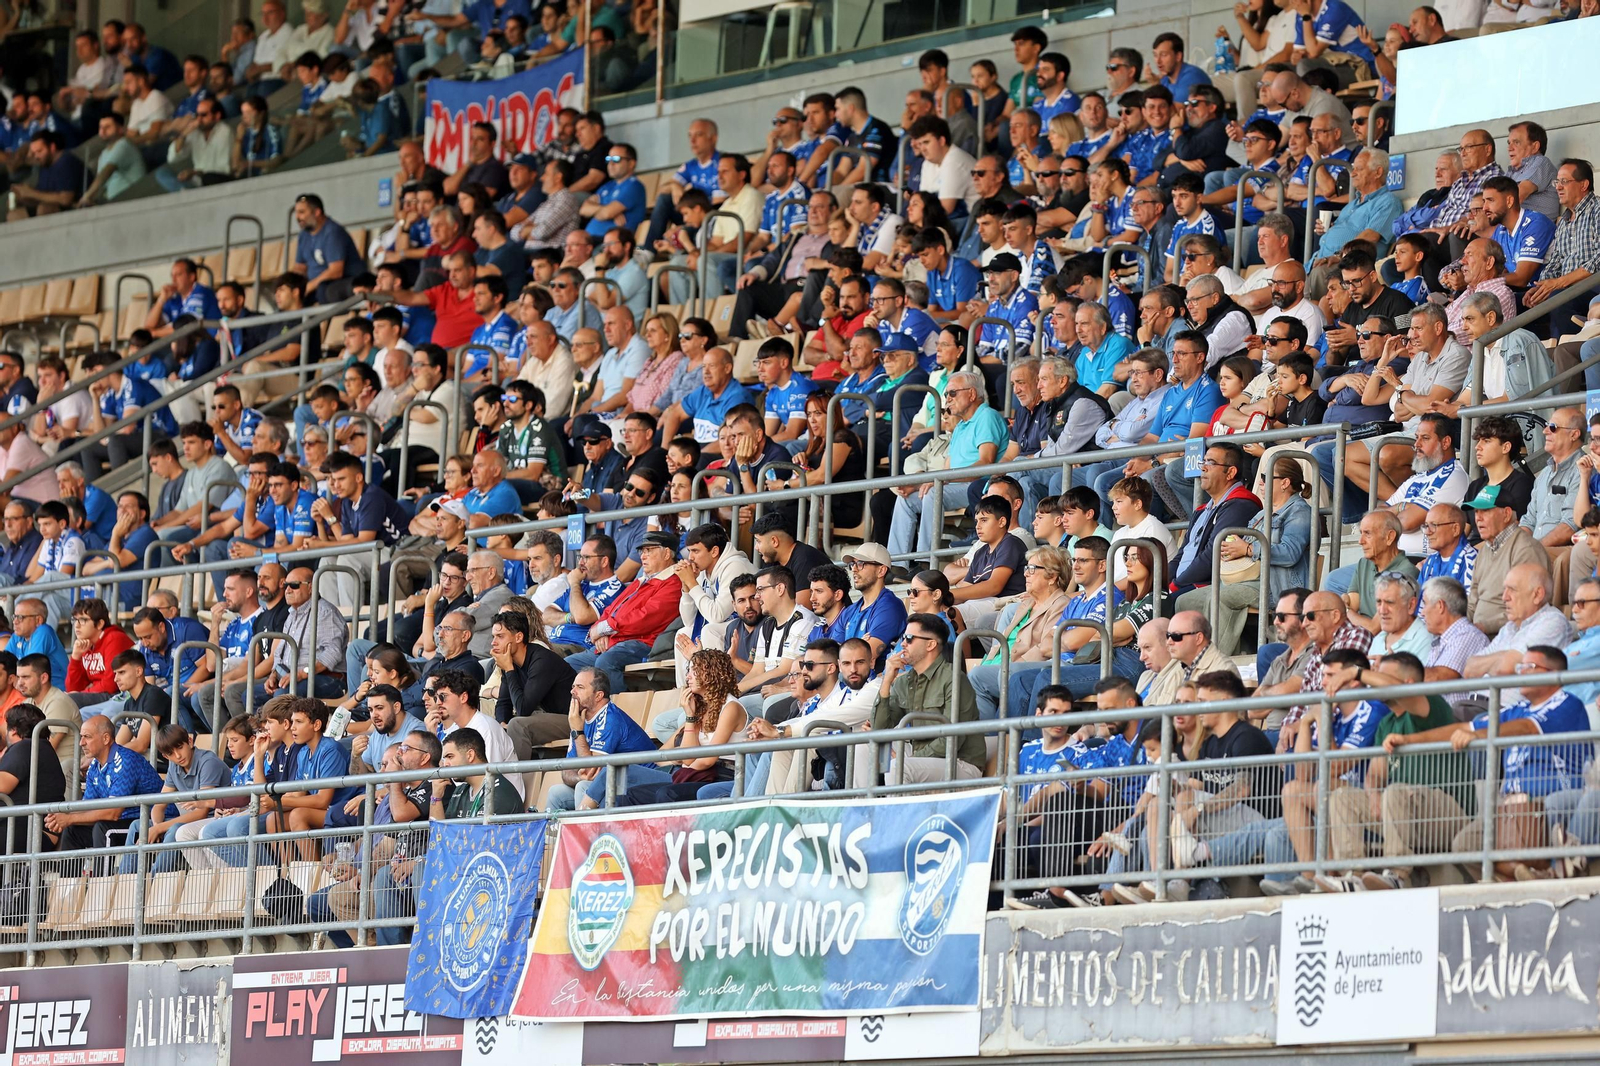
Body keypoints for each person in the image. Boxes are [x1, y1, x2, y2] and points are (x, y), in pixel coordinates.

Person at [854, 613, 985, 786]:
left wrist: (908, 757)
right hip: (920, 756)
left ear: (930, 644)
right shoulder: (903, 680)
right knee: (863, 745)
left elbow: (953, 739)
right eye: (903, 637)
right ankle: (862, 811)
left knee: (898, 767)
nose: (903, 644)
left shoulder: (954, 679)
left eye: (909, 638)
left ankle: (898, 813)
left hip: (960, 762)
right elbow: (879, 728)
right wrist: (886, 681)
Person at [43, 714, 162, 870]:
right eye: (81, 737)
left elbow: (113, 813)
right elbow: (87, 807)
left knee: (104, 829)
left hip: (152, 822)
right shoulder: (94, 766)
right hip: (125, 821)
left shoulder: (125, 761)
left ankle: (100, 888)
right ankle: (69, 889)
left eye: (87, 737)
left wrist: (69, 818)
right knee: (73, 831)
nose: (81, 743)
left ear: (106, 739)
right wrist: (62, 818)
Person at [547, 668, 657, 810]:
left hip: (638, 785)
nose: (572, 692)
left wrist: (578, 732)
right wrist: (579, 777)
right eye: (573, 687)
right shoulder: (579, 719)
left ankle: (587, 832)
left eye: (580, 687)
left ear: (598, 695)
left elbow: (591, 769)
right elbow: (567, 771)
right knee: (556, 793)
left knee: (584, 787)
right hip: (611, 784)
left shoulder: (611, 718)